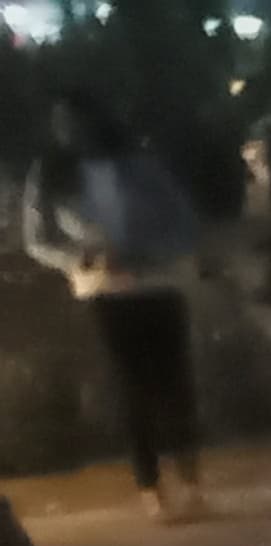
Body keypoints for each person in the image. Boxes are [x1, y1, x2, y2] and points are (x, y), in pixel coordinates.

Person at [19, 93, 205, 523]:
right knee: (132, 389)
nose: (68, 129)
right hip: (105, 289)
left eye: (74, 119)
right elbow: (37, 239)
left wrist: (148, 253)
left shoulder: (141, 166)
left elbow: (184, 223)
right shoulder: (50, 174)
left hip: (159, 282)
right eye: (60, 121)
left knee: (175, 384)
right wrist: (80, 258)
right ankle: (151, 488)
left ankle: (191, 482)